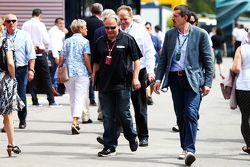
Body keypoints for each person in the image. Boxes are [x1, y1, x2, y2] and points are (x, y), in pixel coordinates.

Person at [154, 5, 213, 165]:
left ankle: (190, 149)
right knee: (180, 115)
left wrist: (208, 83)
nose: (172, 19)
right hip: (174, 80)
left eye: (175, 16)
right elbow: (163, 59)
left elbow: (208, 60)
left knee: (191, 112)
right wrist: (158, 79)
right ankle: (184, 148)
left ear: (185, 18)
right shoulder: (170, 34)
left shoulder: (201, 34)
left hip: (193, 80)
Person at [93, 14, 141, 157]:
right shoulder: (100, 41)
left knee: (123, 113)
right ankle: (110, 146)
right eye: (106, 28)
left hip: (123, 82)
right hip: (104, 84)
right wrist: (93, 77)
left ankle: (132, 137)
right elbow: (96, 62)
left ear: (119, 25)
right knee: (108, 116)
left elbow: (136, 61)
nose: (109, 30)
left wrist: (136, 78)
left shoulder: (127, 39)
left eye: (112, 27)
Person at [117, 5, 156, 147]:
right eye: (120, 19)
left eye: (125, 19)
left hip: (139, 72)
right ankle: (113, 138)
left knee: (139, 107)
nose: (123, 22)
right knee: (119, 106)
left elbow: (150, 52)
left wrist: (151, 71)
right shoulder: (116, 31)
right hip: (121, 73)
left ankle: (143, 136)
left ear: (131, 17)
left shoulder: (140, 30)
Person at [59, 19, 92, 135]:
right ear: (81, 29)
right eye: (85, 27)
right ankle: (74, 121)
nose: (87, 29)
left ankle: (76, 121)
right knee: (79, 97)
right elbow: (86, 58)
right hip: (81, 72)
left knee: (73, 98)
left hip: (68, 73)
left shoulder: (66, 41)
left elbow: (61, 57)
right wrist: (91, 71)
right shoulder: (85, 41)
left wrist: (59, 69)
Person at [4, 14, 36, 129]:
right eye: (8, 21)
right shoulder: (2, 36)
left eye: (13, 21)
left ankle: (22, 119)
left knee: (21, 95)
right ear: (5, 23)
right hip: (5, 70)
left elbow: (31, 54)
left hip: (21, 69)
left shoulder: (24, 35)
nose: (11, 23)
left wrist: (31, 69)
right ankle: (7, 122)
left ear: (17, 22)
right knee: (6, 96)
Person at [22, 8, 59, 107]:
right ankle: (51, 100)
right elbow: (46, 40)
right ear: (40, 15)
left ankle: (35, 101)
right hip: (40, 52)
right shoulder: (40, 24)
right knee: (46, 77)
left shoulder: (25, 24)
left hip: (29, 54)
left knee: (31, 76)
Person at [0, 18, 23, 157]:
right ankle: (11, 144)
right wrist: (13, 77)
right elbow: (10, 63)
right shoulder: (6, 42)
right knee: (7, 113)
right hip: (4, 79)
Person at [231, 31, 250, 155]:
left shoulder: (241, 49)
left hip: (244, 85)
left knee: (246, 116)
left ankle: (249, 144)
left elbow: (236, 68)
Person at [86, 3, 104, 107]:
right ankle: (94, 98)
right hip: (97, 53)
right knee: (95, 74)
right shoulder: (101, 24)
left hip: (86, 52)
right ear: (101, 12)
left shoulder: (85, 22)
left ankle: (90, 97)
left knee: (88, 75)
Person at [48, 17, 68, 96]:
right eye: (60, 23)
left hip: (59, 52)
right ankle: (53, 88)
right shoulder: (54, 30)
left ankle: (56, 89)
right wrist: (56, 56)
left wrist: (65, 32)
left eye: (63, 23)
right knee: (55, 72)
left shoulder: (60, 31)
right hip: (55, 53)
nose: (62, 25)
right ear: (56, 23)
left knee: (57, 72)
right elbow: (53, 44)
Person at [144, 21, 161, 105]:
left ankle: (149, 95)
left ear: (150, 29)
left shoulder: (155, 38)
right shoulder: (142, 38)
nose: (146, 30)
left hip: (155, 63)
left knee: (152, 82)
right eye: (145, 28)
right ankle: (148, 96)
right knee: (146, 81)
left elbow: (159, 50)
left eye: (148, 28)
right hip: (145, 64)